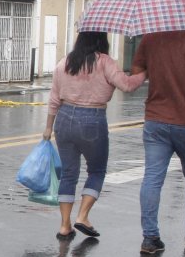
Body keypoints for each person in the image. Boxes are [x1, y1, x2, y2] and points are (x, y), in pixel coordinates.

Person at [42, 32, 145, 241]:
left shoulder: (65, 62)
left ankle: (64, 225)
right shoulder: (105, 62)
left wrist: (48, 128)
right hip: (92, 118)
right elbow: (127, 85)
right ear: (101, 40)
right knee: (96, 171)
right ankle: (82, 216)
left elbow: (54, 97)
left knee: (69, 173)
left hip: (63, 118)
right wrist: (144, 73)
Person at [131, 30, 185, 254]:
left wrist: (160, 70)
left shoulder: (151, 39)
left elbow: (137, 71)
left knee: (152, 177)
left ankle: (150, 238)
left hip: (156, 120)